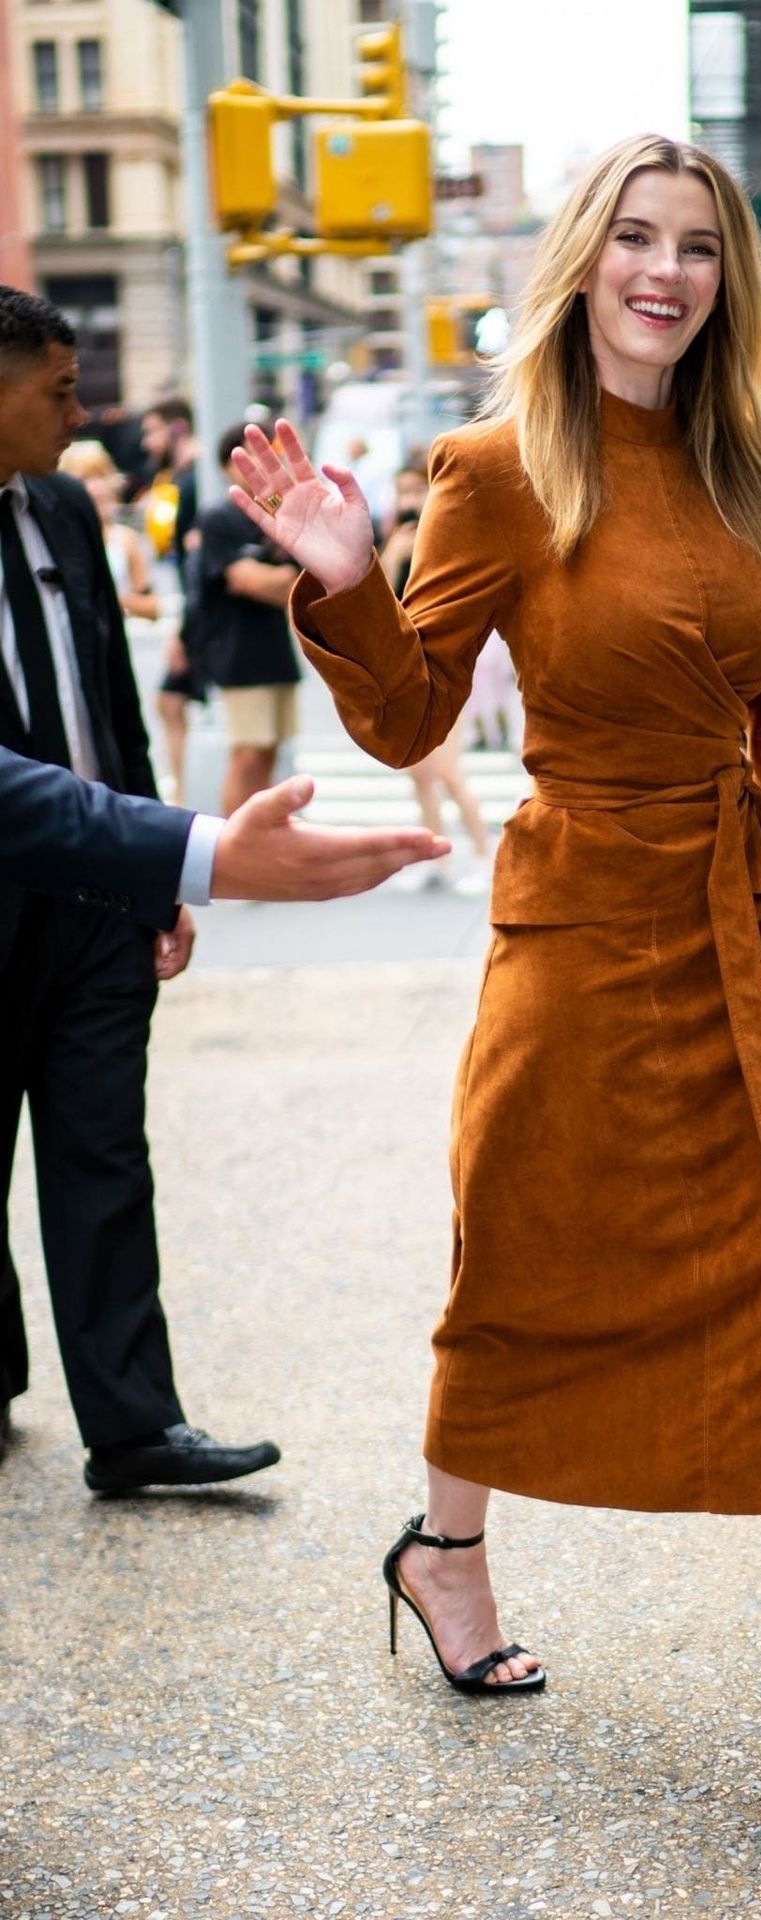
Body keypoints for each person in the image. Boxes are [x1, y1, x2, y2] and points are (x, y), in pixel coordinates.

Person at [229, 135, 761, 1793]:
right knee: (521, 1254)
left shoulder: (757, 463)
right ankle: (446, 1554)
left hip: (736, 920)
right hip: (575, 924)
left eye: (698, 246)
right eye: (635, 239)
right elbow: (412, 715)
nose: (666, 271)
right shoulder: (497, 468)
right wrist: (348, 582)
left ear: (731, 281)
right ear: (583, 263)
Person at [0, 284, 278, 1492]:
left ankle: (133, 1427)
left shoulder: (65, 507)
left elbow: (109, 701)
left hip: (99, 909)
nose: (81, 413)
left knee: (105, 1157)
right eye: (58, 391)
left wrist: (158, 866)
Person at [0, 747, 449, 910]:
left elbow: (117, 724)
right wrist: (199, 857)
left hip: (111, 920)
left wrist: (161, 891)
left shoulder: (74, 548)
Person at [378, 465, 493, 894]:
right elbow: (377, 604)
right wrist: (393, 554)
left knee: (447, 772)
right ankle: (437, 859)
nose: (409, 501)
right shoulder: (394, 541)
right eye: (402, 492)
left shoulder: (448, 536)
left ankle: (484, 855)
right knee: (420, 774)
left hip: (446, 667)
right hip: (405, 669)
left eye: (416, 491)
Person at [194, 423, 302, 817]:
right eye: (248, 454)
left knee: (270, 750)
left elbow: (301, 582)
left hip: (276, 649)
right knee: (247, 752)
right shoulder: (219, 517)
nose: (260, 463)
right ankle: (233, 834)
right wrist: (281, 581)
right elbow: (244, 580)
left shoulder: (279, 511)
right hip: (237, 651)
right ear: (228, 465)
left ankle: (257, 832)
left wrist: (278, 582)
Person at [140, 398, 204, 802]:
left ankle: (181, 795)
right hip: (195, 611)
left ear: (177, 428)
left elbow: (196, 559)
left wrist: (183, 631)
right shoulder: (179, 478)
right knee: (170, 702)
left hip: (203, 616)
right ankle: (180, 793)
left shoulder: (194, 481)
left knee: (170, 700)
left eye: (153, 431)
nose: (146, 442)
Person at [59, 439, 160, 621]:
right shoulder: (59, 540)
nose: (96, 487)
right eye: (84, 478)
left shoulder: (124, 538)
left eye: (101, 476)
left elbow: (152, 607)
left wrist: (113, 598)